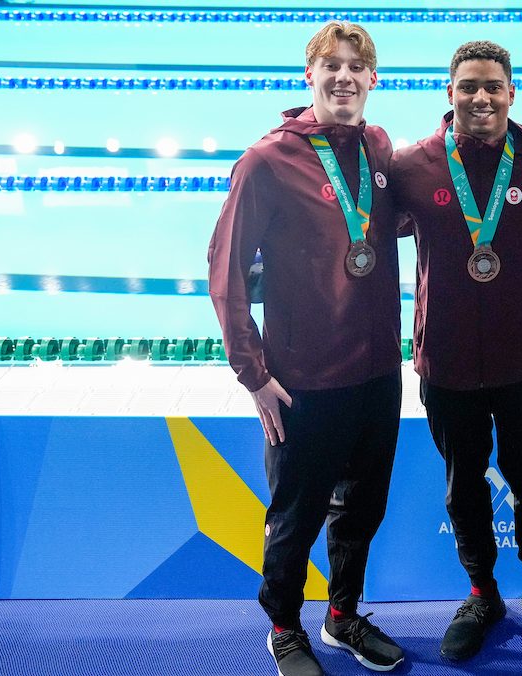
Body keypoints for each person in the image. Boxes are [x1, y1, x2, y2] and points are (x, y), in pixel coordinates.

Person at [208, 21, 404, 676]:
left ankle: (344, 615)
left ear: (373, 79)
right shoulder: (267, 161)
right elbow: (227, 272)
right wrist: (254, 374)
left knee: (363, 508)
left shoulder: (377, 146)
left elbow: (390, 223)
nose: (344, 77)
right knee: (295, 516)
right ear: (309, 75)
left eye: (357, 67)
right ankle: (286, 626)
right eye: (332, 66)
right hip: (304, 380)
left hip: (377, 375)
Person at [390, 40, 522, 662]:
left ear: (511, 93)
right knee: (462, 485)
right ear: (449, 94)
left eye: (492, 86)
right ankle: (481, 593)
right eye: (468, 86)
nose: (480, 97)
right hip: (445, 362)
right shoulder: (413, 166)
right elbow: (353, 225)